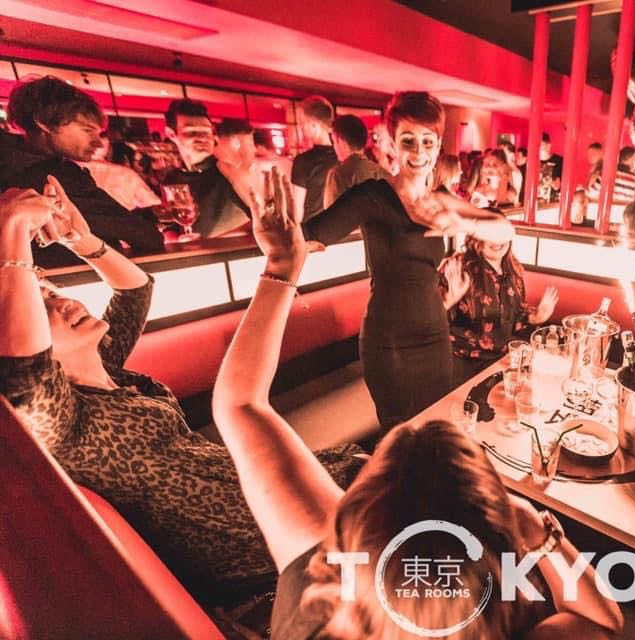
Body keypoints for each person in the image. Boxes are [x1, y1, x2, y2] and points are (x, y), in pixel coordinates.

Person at [210, 175, 624, 639]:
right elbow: (601, 620)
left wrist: (282, 265)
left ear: (354, 517)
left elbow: (239, 402)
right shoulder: (514, 623)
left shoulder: (321, 586)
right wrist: (540, 530)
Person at [0, 177, 365, 607]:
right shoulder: (61, 421)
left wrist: (81, 239)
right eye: (41, 306)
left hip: (288, 490)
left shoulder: (107, 369)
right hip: (268, 546)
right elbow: (23, 369)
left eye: (52, 292)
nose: (62, 303)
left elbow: (136, 289)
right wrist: (12, 227)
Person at [301, 92, 516, 433]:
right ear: (392, 144)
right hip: (389, 344)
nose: (419, 152)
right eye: (408, 141)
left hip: (435, 336)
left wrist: (463, 224)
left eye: (427, 141)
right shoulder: (372, 196)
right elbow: (308, 236)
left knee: (436, 429)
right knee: (400, 437)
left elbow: (505, 228)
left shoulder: (442, 200)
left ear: (438, 145)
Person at [0, 76, 163, 266]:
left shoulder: (10, 162)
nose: (98, 142)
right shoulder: (57, 176)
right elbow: (147, 237)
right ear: (44, 123)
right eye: (87, 130)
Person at [438, 230, 559, 384]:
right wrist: (449, 299)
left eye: (502, 234)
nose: (497, 241)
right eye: (490, 234)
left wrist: (534, 318)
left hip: (500, 357)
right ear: (476, 237)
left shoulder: (514, 270)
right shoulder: (457, 266)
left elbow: (513, 319)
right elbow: (427, 318)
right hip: (461, 359)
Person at [163, 99, 252, 238]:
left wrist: (207, 243)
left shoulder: (228, 173)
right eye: (192, 132)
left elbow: (262, 222)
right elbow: (171, 226)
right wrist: (174, 238)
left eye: (206, 132)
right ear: (171, 134)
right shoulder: (172, 179)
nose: (203, 138)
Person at [323, 114, 389, 208]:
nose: (334, 147)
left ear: (340, 141)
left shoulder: (338, 175)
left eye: (334, 141)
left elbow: (331, 214)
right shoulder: (383, 173)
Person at [292, 95, 337, 220]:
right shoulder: (343, 156)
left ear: (314, 125)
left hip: (312, 228)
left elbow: (297, 212)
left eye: (302, 123)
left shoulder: (303, 161)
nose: (300, 127)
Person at [538, 133, 563, 202]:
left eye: (541, 145)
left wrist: (557, 186)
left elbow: (561, 185)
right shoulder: (532, 161)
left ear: (549, 145)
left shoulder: (559, 161)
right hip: (534, 200)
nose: (540, 148)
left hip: (552, 201)